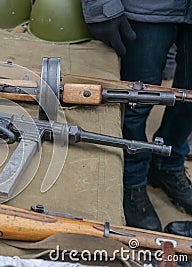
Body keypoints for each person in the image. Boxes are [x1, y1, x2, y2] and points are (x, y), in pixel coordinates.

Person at [81, 0, 192, 231]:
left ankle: (168, 165)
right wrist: (101, 6)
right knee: (136, 102)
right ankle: (132, 180)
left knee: (189, 102)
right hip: (144, 11)